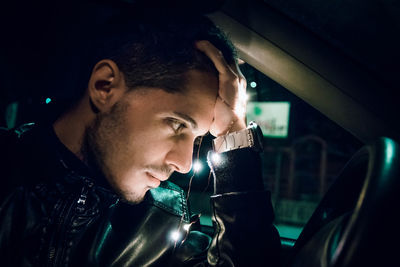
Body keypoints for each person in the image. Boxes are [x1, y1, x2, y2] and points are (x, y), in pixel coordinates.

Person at [0, 4, 281, 266]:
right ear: (104, 86)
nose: (183, 164)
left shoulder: (163, 224)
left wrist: (234, 132)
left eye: (198, 138)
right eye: (177, 125)